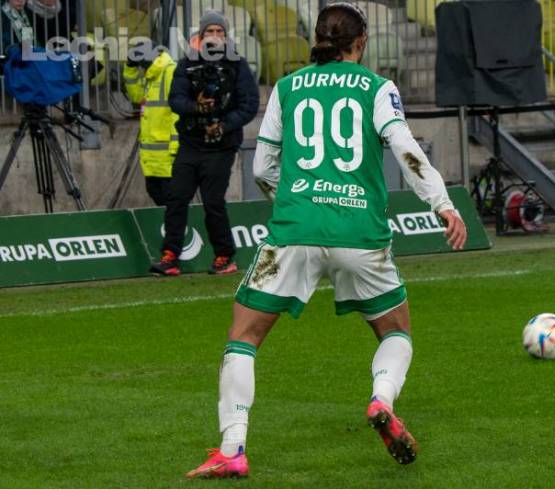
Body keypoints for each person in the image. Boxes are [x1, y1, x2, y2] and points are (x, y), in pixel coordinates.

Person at [185, 2, 467, 479]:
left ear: (316, 38)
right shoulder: (377, 88)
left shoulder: (288, 87)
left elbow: (262, 168)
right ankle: (381, 400)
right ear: (360, 43)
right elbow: (406, 149)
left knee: (244, 337)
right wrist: (442, 203)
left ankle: (232, 449)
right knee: (395, 331)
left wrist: (294, 200)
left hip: (294, 229)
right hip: (359, 232)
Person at [149, 10, 259, 276]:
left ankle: (224, 255)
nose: (215, 36)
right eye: (210, 31)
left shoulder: (237, 65)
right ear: (201, 35)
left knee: (213, 201)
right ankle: (170, 255)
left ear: (226, 36)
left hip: (222, 145)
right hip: (190, 142)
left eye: (219, 32)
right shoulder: (187, 64)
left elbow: (249, 105)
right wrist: (198, 108)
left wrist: (223, 125)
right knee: (176, 197)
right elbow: (176, 100)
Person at [123, 43, 178, 206]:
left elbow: (178, 112)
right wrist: (130, 68)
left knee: (172, 201)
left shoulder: (170, 72)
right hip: (152, 156)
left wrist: (176, 148)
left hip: (167, 155)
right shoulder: (152, 74)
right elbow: (137, 96)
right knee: (156, 194)